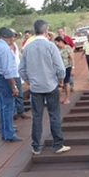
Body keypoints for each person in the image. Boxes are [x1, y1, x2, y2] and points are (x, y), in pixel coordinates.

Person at [19, 19, 71, 155]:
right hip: (50, 85)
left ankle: (36, 146)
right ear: (46, 30)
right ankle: (58, 145)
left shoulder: (27, 48)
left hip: (35, 88)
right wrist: (60, 82)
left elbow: (22, 70)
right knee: (54, 115)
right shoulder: (51, 46)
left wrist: (29, 82)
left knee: (37, 117)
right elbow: (60, 68)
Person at [0, 27, 22, 142]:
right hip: (4, 79)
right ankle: (9, 133)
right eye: (12, 37)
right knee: (8, 107)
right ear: (7, 37)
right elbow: (7, 71)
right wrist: (13, 86)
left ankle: (4, 132)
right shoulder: (5, 49)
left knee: (2, 107)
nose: (13, 39)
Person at [8, 30, 29, 119]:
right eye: (13, 36)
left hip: (17, 72)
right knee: (11, 93)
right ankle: (13, 113)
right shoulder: (5, 47)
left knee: (19, 93)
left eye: (15, 36)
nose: (14, 38)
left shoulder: (15, 45)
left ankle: (21, 111)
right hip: (9, 73)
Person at [54, 36, 74, 105]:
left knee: (66, 83)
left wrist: (73, 68)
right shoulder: (57, 49)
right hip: (59, 69)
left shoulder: (67, 48)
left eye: (57, 43)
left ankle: (67, 98)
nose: (56, 44)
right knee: (59, 84)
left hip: (67, 67)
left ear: (60, 42)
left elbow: (72, 58)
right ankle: (61, 98)